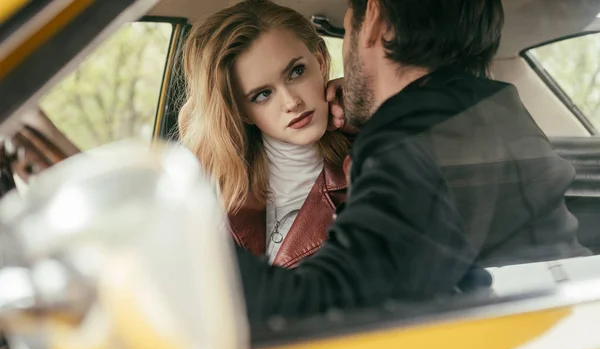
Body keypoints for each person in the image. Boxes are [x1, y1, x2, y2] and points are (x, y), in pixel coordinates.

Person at [240, 0, 592, 322]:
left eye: (347, 31)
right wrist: (376, 112)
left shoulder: (408, 140)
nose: (345, 51)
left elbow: (323, 305)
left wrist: (200, 260)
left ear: (374, 19)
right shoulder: (498, 112)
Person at [178, 0, 351, 268]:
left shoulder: (368, 160)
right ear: (242, 112)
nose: (291, 101)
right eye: (263, 94)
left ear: (319, 61)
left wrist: (372, 108)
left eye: (296, 72)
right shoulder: (214, 187)